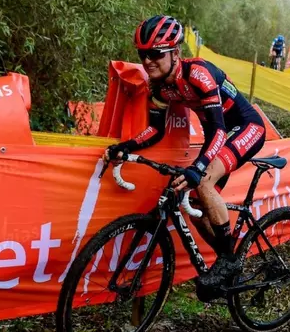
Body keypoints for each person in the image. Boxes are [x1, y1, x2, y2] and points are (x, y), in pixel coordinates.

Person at [103, 15, 267, 289]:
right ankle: (229, 257)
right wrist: (126, 147)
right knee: (192, 205)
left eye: (156, 53)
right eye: (142, 54)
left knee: (202, 181)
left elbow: (217, 129)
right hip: (221, 134)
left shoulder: (198, 73)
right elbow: (156, 130)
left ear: (176, 53)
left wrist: (198, 167)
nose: (147, 61)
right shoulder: (160, 87)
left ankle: (228, 262)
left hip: (245, 127)